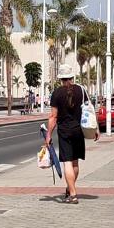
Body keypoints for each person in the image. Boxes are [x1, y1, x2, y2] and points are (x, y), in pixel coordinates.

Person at [45, 65, 91, 204]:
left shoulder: (57, 93)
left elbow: (53, 117)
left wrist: (48, 135)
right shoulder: (81, 90)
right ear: (72, 77)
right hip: (78, 130)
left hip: (64, 131)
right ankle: (70, 188)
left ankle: (73, 194)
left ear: (60, 78)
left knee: (67, 163)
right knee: (75, 162)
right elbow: (89, 111)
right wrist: (96, 130)